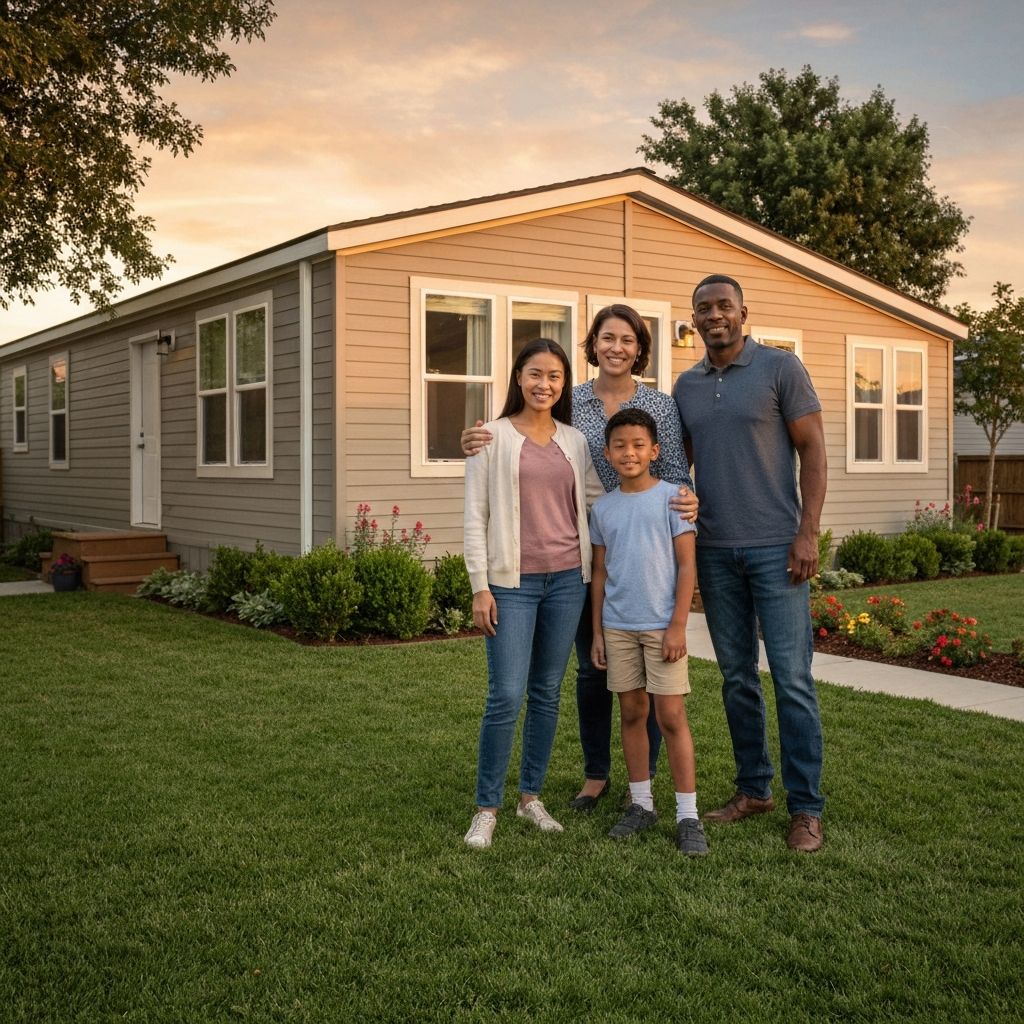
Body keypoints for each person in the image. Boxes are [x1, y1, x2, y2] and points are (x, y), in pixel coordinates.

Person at [461, 305, 698, 812]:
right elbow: (526, 448)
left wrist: (688, 505)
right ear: (594, 344)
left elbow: (677, 472)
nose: (617, 347)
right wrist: (475, 440)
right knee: (591, 670)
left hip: (642, 550)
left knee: (644, 680)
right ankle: (596, 773)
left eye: (628, 339)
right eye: (607, 338)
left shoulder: (659, 404)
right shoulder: (575, 404)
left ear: (640, 349)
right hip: (589, 546)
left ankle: (644, 782)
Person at [672, 274, 828, 853]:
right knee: (737, 679)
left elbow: (812, 450)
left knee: (791, 680)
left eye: (723, 306)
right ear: (694, 319)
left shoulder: (780, 369)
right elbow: (677, 467)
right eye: (703, 308)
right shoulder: (686, 386)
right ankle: (753, 788)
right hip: (713, 550)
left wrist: (806, 532)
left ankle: (806, 807)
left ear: (743, 312)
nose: (714, 315)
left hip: (776, 548)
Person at [462, 338, 604, 849]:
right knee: (505, 696)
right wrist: (481, 587)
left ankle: (530, 798)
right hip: (511, 585)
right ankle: (486, 807)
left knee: (546, 694)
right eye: (535, 374)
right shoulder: (489, 438)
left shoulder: (576, 441)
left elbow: (597, 503)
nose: (545, 384)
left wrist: (662, 500)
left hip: (568, 581)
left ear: (564, 385)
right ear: (519, 378)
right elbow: (475, 519)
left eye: (556, 377)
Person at [589, 409, 707, 856]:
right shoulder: (603, 508)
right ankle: (641, 805)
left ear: (655, 451)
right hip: (619, 627)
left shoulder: (673, 499)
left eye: (638, 444)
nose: (629, 452)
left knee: (671, 717)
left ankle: (687, 814)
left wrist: (678, 625)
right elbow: (600, 572)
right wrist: (599, 631)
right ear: (607, 452)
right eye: (619, 445)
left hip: (662, 628)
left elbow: (686, 565)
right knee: (632, 714)